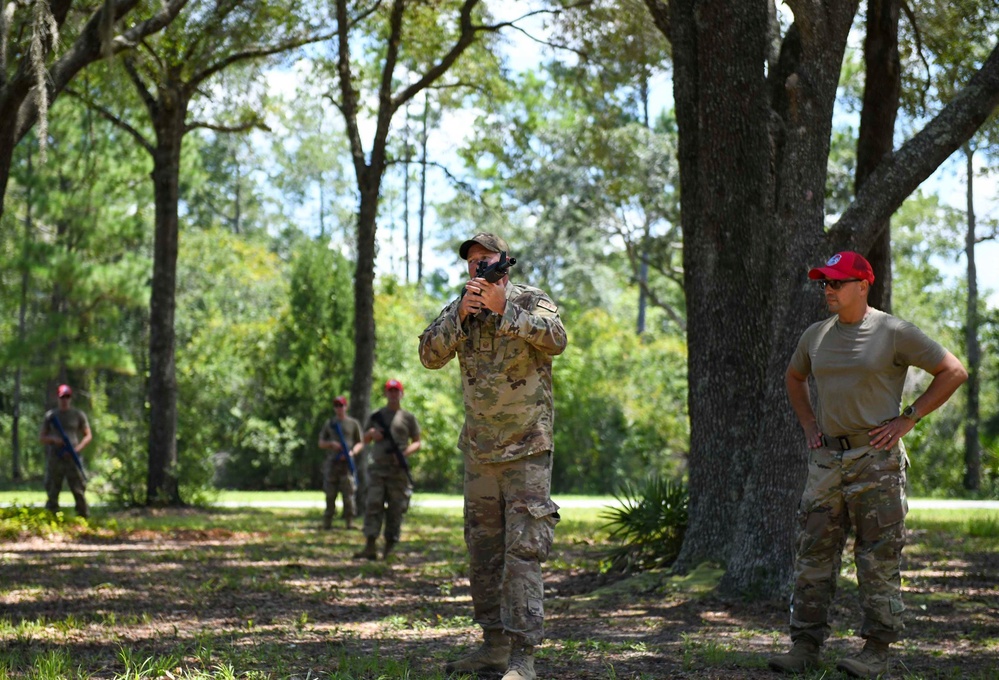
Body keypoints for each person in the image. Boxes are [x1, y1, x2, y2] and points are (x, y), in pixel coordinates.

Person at [768, 251, 968, 678]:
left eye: (837, 283)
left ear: (863, 285)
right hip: (826, 461)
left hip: (876, 460)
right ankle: (805, 647)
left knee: (877, 559)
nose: (828, 290)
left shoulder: (893, 332)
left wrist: (908, 418)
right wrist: (808, 423)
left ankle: (876, 650)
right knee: (813, 556)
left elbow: (953, 371)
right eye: (825, 283)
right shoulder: (815, 336)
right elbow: (794, 377)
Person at [419, 232, 567, 680]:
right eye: (471, 260)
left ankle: (523, 658)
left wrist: (506, 311)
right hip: (480, 453)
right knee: (483, 553)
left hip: (526, 449)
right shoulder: (461, 306)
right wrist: (459, 318)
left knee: (522, 552)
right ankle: (493, 646)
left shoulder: (530, 299)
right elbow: (428, 355)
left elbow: (557, 339)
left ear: (504, 261)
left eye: (485, 258)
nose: (477, 266)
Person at [352, 379, 421, 560]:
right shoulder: (376, 416)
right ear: (385, 394)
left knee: (396, 508)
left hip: (397, 471)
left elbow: (418, 442)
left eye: (396, 391)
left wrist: (403, 454)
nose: (393, 394)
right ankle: (370, 545)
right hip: (378, 469)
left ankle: (389, 548)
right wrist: (371, 434)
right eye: (390, 391)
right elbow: (363, 439)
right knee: (373, 504)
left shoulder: (408, 417)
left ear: (401, 393)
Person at [38, 384, 93, 519]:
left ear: (71, 398)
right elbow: (42, 437)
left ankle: (83, 516)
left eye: (67, 397)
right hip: (55, 457)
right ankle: (52, 517)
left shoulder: (78, 414)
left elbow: (88, 435)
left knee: (78, 488)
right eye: (62, 397)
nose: (65, 400)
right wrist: (54, 440)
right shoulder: (51, 415)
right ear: (58, 398)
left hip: (73, 457)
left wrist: (77, 449)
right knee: (52, 488)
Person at [318, 395, 364, 530]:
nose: (339, 408)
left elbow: (360, 443)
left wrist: (351, 453)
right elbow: (320, 443)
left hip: (347, 465)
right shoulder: (330, 424)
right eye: (337, 406)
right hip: (332, 463)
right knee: (330, 494)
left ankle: (350, 522)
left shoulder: (353, 423)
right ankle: (327, 522)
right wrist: (331, 444)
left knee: (348, 495)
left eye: (342, 405)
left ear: (346, 407)